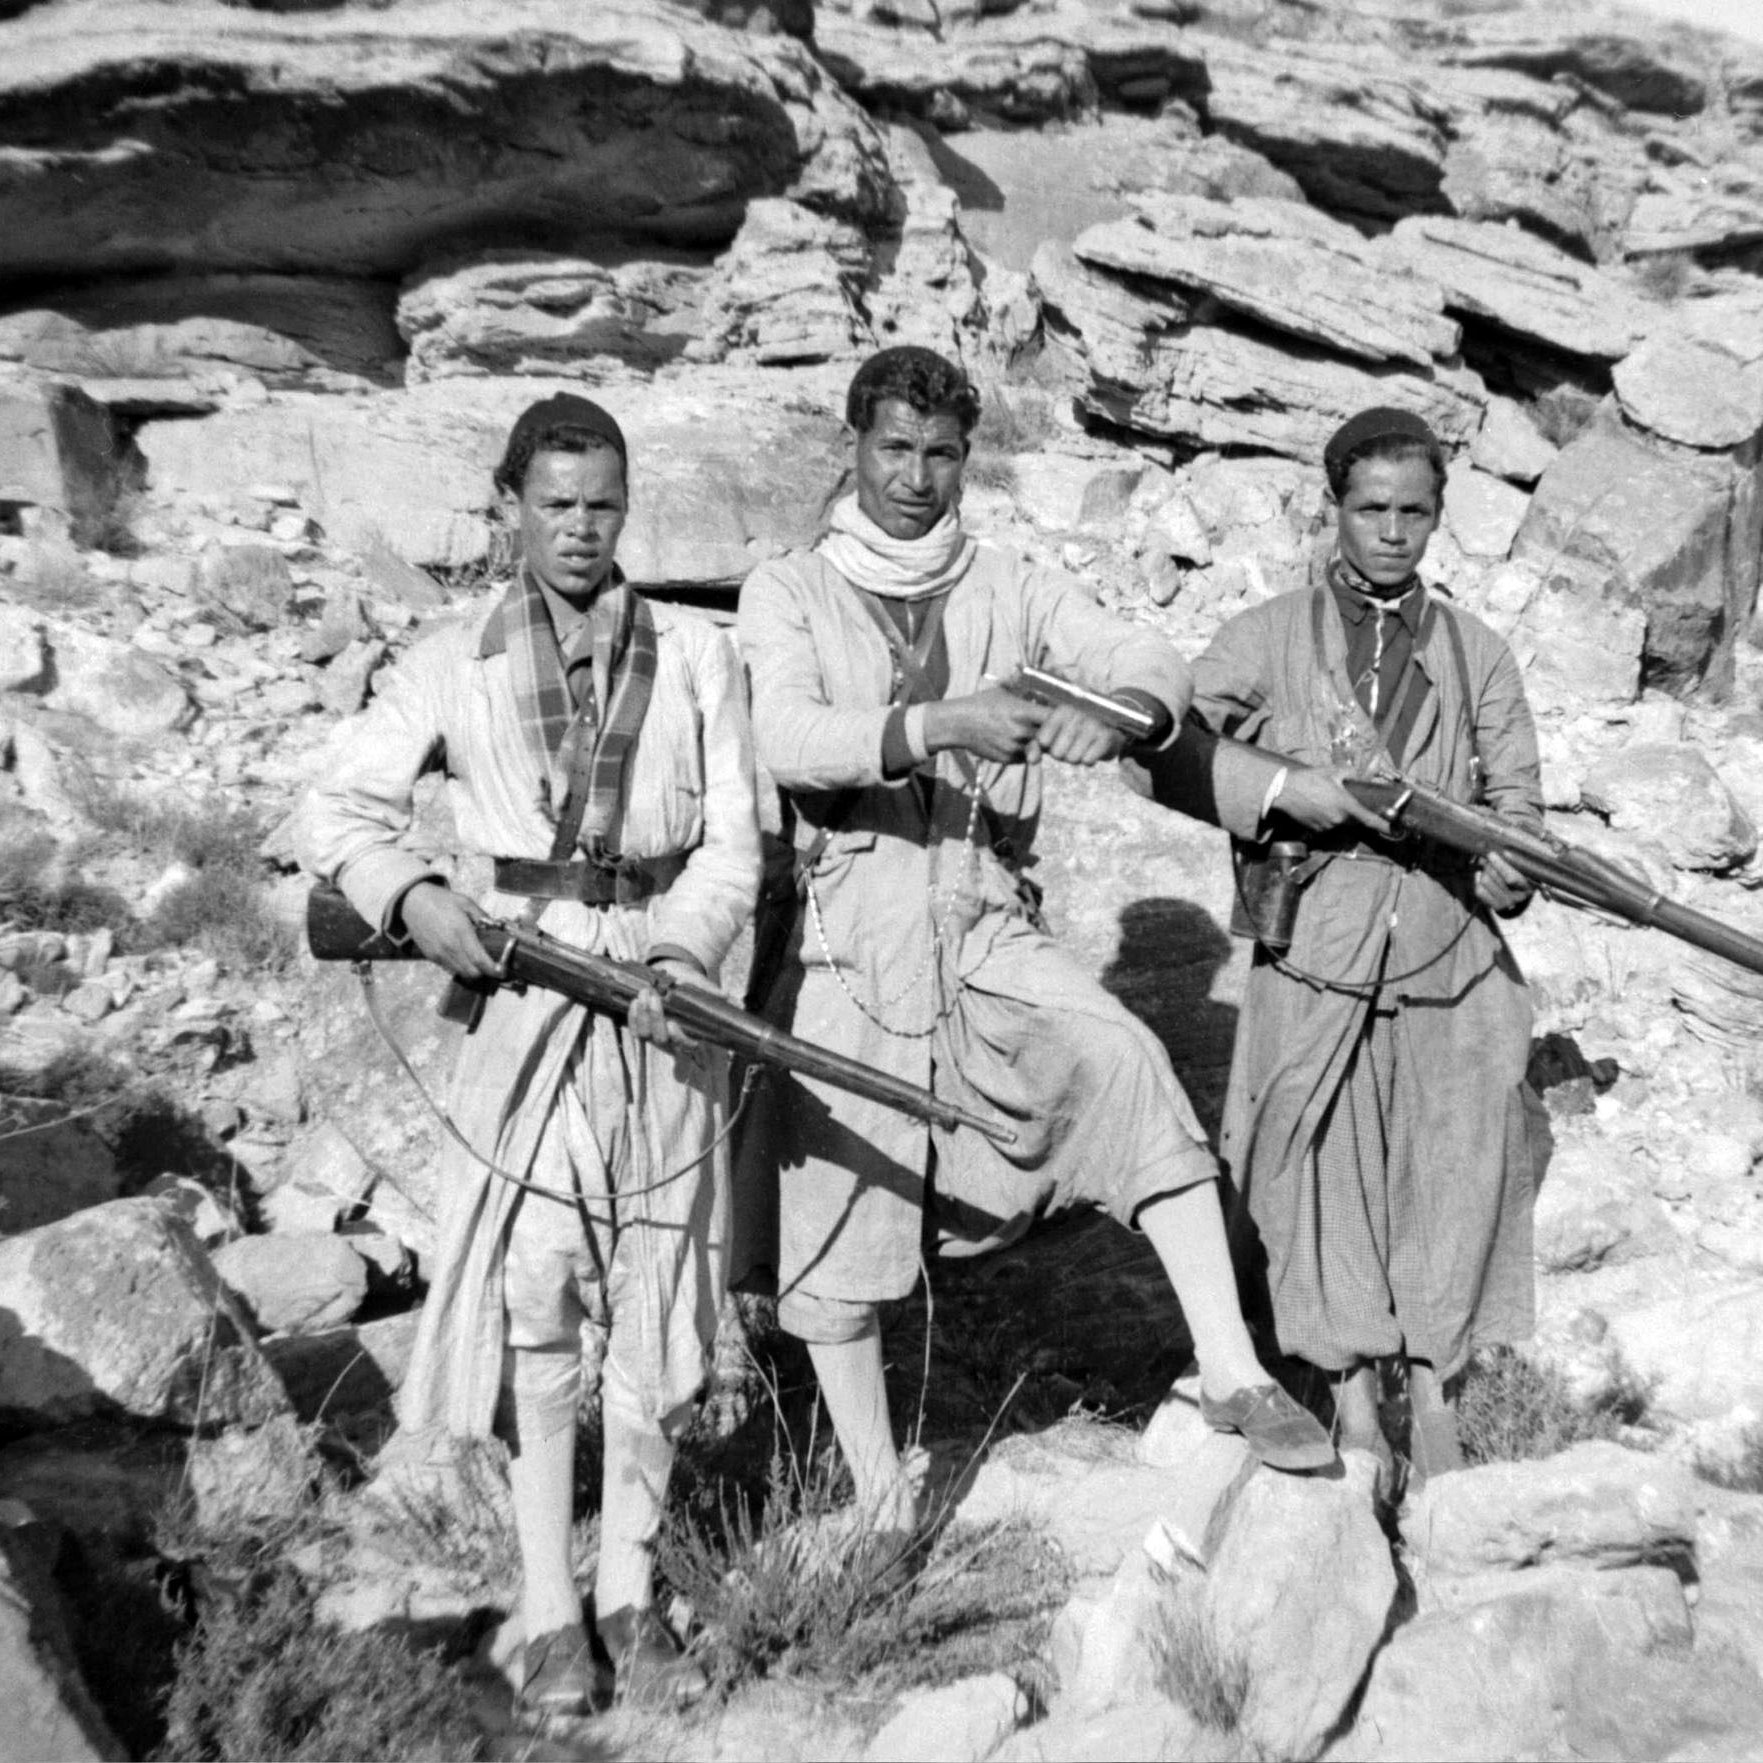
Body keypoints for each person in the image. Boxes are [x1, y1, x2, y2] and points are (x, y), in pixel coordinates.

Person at [734, 345, 1335, 1541]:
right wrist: (936, 720)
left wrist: (1112, 713)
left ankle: (1228, 1369)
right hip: (845, 931)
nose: (915, 476)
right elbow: (788, 734)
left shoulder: (1004, 581)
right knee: (836, 1198)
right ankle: (875, 1483)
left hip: (979, 911)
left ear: (968, 459)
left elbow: (1142, 659)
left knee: (1121, 1062)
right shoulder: (786, 587)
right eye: (893, 448)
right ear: (852, 447)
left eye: (941, 452)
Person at [296, 394, 760, 1714]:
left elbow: (734, 838)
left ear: (626, 508)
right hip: (523, 986)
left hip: (668, 991)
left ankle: (631, 1581)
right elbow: (336, 803)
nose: (576, 527)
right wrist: (409, 896)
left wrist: (679, 950)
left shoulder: (695, 656)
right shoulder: (452, 656)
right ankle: (551, 1606)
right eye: (552, 503)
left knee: (662, 1288)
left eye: (600, 505)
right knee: (540, 1290)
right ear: (509, 506)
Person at [1134, 405, 1543, 1485]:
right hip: (1313, 945)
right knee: (1310, 1165)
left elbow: (1519, 814)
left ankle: (1431, 1390)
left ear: (1438, 516)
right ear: (1334, 510)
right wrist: (1281, 788)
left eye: (1414, 510)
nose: (1393, 532)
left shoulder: (1476, 654)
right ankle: (1352, 1394)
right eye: (1371, 509)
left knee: (1453, 1167)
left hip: (1446, 956)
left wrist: (1511, 870)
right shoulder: (1267, 636)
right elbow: (1161, 749)